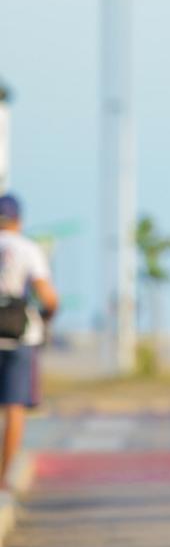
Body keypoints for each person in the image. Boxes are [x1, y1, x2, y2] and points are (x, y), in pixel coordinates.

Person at [0, 194, 59, 489]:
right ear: (19, 220)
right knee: (14, 407)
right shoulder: (27, 249)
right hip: (19, 335)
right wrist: (46, 317)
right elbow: (48, 297)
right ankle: (2, 478)